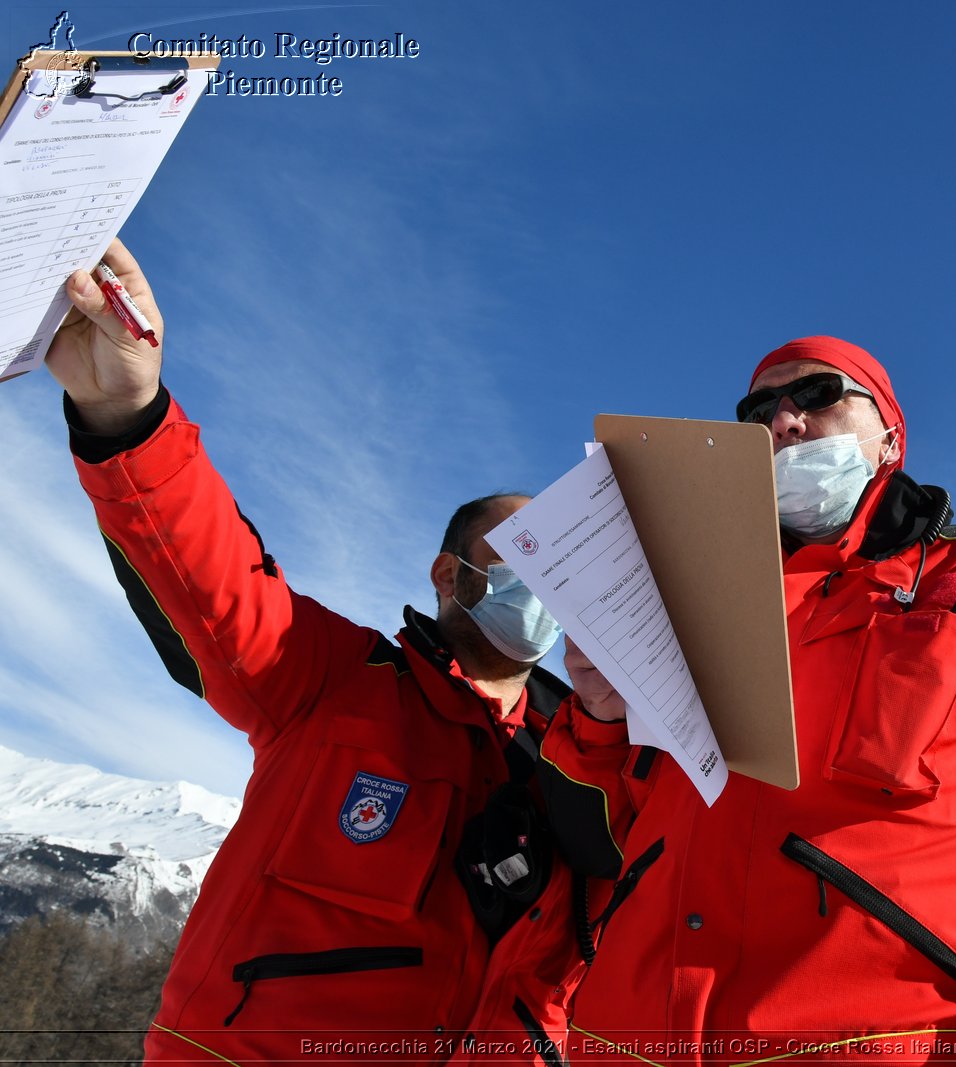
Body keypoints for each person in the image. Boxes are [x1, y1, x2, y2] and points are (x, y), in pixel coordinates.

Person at [543, 336, 956, 1065]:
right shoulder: (682, 604)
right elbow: (603, 847)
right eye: (759, 407)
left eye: (818, 394)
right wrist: (601, 721)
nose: (785, 420)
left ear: (890, 432)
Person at [44, 241, 600, 1064]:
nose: (544, 584)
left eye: (562, 562)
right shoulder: (338, 679)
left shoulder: (587, 765)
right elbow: (218, 582)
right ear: (450, 573)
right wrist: (131, 419)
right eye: (522, 554)